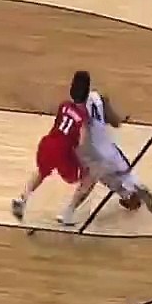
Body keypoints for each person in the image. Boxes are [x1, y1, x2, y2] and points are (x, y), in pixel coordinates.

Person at [11, 71, 98, 227]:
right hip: (64, 151)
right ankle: (68, 212)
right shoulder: (84, 116)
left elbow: (59, 125)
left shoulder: (64, 106)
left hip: (48, 143)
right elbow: (82, 141)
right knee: (91, 176)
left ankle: (22, 198)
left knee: (42, 171)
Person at [81, 87, 152, 213]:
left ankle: (129, 196)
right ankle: (136, 190)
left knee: (108, 179)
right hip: (107, 150)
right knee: (125, 175)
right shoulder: (99, 98)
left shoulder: (71, 108)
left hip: (89, 154)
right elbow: (116, 123)